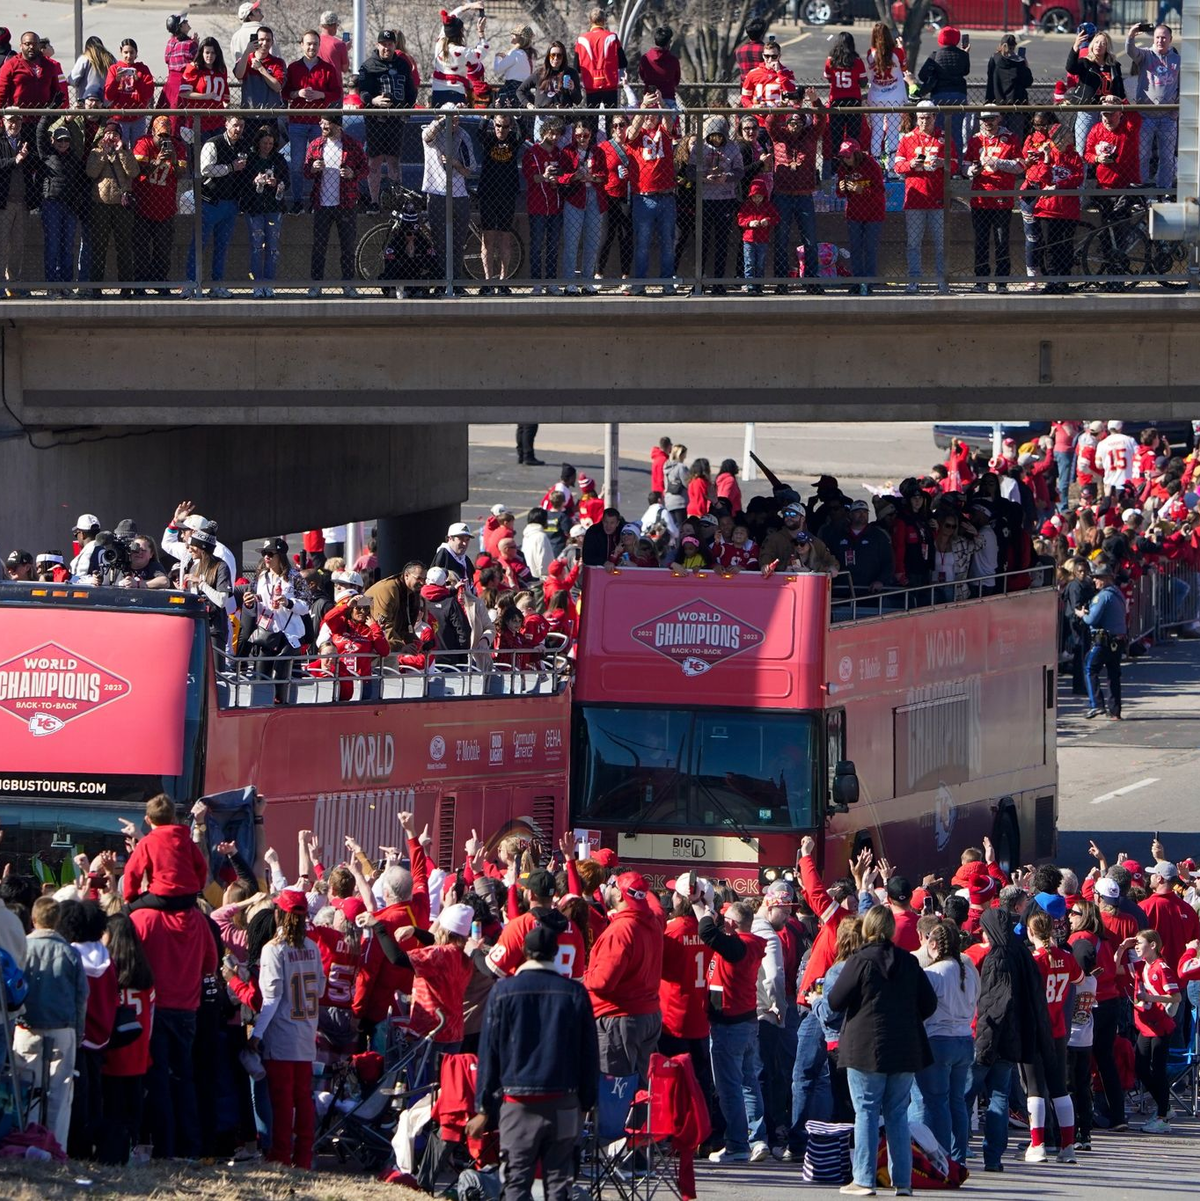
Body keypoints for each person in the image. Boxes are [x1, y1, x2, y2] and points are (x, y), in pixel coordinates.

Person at [471, 922, 600, 1201]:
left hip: (518, 1104)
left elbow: (489, 1054)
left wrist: (483, 1107)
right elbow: (589, 1053)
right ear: (555, 953)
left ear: (524, 952)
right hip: (565, 1102)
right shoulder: (575, 993)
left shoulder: (503, 992)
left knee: (516, 1182)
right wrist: (588, 1102)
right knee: (559, 1184)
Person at [827, 906, 936, 1197]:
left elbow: (835, 1001)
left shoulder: (859, 960)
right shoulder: (909, 961)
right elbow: (929, 1004)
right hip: (905, 1046)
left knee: (865, 1112)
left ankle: (863, 1179)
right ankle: (903, 1181)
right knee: (897, 1114)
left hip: (864, 1046)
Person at [248, 891, 325, 1169]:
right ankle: (304, 1156)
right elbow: (322, 987)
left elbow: (271, 998)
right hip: (306, 1032)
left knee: (281, 1102)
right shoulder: (313, 947)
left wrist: (256, 1035)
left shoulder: (273, 949)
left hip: (280, 1033)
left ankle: (280, 1156)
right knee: (303, 1099)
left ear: (279, 914)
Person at [972, 906, 1049, 1173]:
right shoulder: (1022, 954)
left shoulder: (997, 957)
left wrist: (983, 1043)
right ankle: (993, 1157)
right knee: (999, 1096)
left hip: (993, 1038)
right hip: (1015, 1038)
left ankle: (957, 1154)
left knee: (964, 1096)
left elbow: (993, 1005)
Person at [14, 897, 87, 1155]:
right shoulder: (70, 952)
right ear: (57, 921)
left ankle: (25, 1142)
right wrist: (78, 1032)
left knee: (25, 1088)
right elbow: (81, 997)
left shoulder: (22, 948)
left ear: (34, 919)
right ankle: (56, 1147)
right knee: (60, 1091)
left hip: (26, 1026)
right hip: (63, 1027)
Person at [699, 897, 769, 1163]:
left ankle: (738, 1143)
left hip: (730, 1026)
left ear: (732, 923)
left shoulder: (738, 946)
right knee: (749, 1082)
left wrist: (707, 911)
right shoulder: (746, 944)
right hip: (745, 1022)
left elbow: (706, 932)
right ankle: (757, 1138)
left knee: (729, 1086)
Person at [583, 871, 663, 1084]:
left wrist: (582, 977)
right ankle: (640, 1120)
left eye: (614, 885)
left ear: (620, 896)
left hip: (621, 1018)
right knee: (643, 1090)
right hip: (648, 1015)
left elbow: (602, 982)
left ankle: (617, 1120)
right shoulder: (652, 923)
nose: (609, 888)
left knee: (615, 1092)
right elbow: (655, 907)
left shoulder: (621, 930)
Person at [910, 921, 978, 1167]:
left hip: (938, 1039)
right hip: (963, 1039)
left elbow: (921, 1007)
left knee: (935, 1101)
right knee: (957, 1101)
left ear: (934, 943)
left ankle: (939, 1157)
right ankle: (958, 1157)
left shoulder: (933, 973)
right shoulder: (968, 970)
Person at [98, 913, 155, 1166]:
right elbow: (151, 1019)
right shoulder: (145, 976)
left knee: (112, 1109)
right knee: (134, 1109)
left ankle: (112, 1154)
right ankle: (132, 1150)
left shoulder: (109, 974)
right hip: (139, 1052)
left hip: (112, 1053)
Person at [765, 91, 825, 290]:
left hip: (804, 196)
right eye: (792, 121)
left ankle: (811, 281)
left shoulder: (810, 136)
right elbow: (769, 124)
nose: (795, 125)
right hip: (782, 196)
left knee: (810, 240)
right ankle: (781, 282)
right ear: (786, 123)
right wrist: (780, 107)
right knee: (781, 240)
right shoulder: (779, 137)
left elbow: (821, 118)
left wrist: (814, 100)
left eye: (799, 121)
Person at [895, 101, 957, 293]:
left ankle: (942, 280)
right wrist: (911, 164)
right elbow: (897, 167)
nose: (923, 122)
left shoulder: (944, 138)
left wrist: (941, 163)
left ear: (934, 117)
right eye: (920, 117)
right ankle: (914, 280)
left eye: (927, 117)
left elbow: (955, 165)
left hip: (938, 199)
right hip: (915, 200)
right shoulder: (907, 139)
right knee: (913, 243)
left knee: (941, 244)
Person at [185, 115, 248, 300]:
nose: (238, 129)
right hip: (210, 202)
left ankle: (217, 284)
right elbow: (205, 169)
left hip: (231, 203)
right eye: (235, 125)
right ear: (227, 124)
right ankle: (190, 284)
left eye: (242, 126)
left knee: (222, 246)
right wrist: (230, 167)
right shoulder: (213, 144)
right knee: (199, 244)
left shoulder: (243, 146)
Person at [304, 114, 366, 297]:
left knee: (347, 246)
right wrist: (313, 168)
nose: (322, 125)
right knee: (319, 246)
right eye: (321, 122)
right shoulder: (316, 144)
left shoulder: (352, 145)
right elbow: (306, 171)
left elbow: (365, 168)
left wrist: (352, 173)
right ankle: (316, 284)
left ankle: (348, 284)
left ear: (337, 126)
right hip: (322, 203)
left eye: (326, 123)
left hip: (345, 203)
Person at [355, 30, 417, 210]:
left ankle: (396, 200)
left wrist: (407, 110)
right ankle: (374, 201)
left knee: (394, 162)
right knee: (374, 162)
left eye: (390, 44)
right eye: (383, 44)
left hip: (396, 121)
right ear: (377, 45)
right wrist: (373, 100)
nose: (387, 48)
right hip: (376, 120)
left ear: (394, 46)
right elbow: (363, 91)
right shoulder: (369, 65)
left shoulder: (403, 64)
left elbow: (411, 91)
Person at [1022, 115, 1083, 293]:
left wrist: (1058, 185)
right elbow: (1043, 177)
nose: (1070, 139)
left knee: (1066, 245)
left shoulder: (1074, 157)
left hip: (1068, 209)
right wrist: (1047, 158)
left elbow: (1077, 178)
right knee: (1050, 246)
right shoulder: (1048, 155)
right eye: (1066, 137)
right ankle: (1051, 280)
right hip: (1048, 209)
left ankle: (1063, 280)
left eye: (1070, 136)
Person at [965, 110, 1023, 291]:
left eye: (991, 119)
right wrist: (972, 172)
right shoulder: (975, 139)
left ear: (999, 119)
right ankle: (981, 281)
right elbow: (965, 166)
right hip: (980, 199)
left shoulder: (1010, 137)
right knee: (981, 241)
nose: (987, 123)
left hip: (1002, 198)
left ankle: (1002, 282)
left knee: (1001, 241)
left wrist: (998, 162)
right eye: (984, 119)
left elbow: (1020, 166)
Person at [284, 30, 342, 212]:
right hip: (298, 122)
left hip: (319, 124)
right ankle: (297, 200)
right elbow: (285, 92)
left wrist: (320, 94)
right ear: (302, 44)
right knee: (297, 164)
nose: (312, 47)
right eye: (308, 43)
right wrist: (297, 93)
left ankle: (319, 200)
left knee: (320, 163)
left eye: (315, 44)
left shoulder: (327, 68)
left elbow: (336, 93)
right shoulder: (293, 68)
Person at [625, 96, 677, 296]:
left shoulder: (663, 131)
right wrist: (643, 106)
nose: (649, 117)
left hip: (666, 197)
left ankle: (667, 283)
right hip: (643, 197)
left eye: (652, 113)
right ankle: (639, 284)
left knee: (667, 244)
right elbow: (632, 130)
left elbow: (670, 122)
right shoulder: (637, 136)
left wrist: (662, 105)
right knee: (643, 244)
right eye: (646, 114)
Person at [422, 104, 477, 293]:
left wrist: (455, 163)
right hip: (437, 191)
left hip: (459, 193)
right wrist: (441, 121)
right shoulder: (434, 132)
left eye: (456, 119)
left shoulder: (463, 135)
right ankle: (442, 283)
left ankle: (456, 282)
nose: (454, 123)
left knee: (458, 240)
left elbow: (470, 169)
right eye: (450, 118)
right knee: (439, 240)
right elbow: (426, 137)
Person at [131, 117, 187, 296]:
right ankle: (140, 283)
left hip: (166, 207)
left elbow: (181, 173)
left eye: (167, 135)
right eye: (161, 135)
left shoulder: (177, 147)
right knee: (141, 247)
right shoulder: (144, 144)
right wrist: (156, 162)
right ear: (153, 132)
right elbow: (136, 172)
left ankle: (160, 280)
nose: (164, 140)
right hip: (143, 205)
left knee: (163, 248)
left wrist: (174, 158)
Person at [122, 793, 208, 908]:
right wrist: (197, 887)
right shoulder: (186, 841)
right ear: (173, 818)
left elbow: (132, 872)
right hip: (189, 897)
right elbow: (201, 866)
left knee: (125, 913)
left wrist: (130, 898)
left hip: (162, 897)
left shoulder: (147, 842)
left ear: (147, 820)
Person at [36, 114, 87, 293]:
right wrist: (51, 113)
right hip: (52, 204)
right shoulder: (47, 154)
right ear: (53, 140)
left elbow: (81, 180)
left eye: (66, 140)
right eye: (59, 140)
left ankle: (65, 284)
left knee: (67, 246)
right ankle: (51, 285)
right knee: (53, 244)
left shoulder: (74, 158)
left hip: (70, 206)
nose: (63, 143)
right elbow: (40, 132)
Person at [84, 121, 136, 296]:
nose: (111, 137)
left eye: (115, 134)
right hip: (101, 205)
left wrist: (121, 152)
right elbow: (91, 172)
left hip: (122, 206)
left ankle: (126, 287)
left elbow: (133, 172)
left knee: (124, 246)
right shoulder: (96, 152)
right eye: (109, 134)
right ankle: (96, 287)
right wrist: (104, 155)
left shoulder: (126, 152)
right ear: (103, 135)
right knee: (99, 246)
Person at [1126, 23, 1179, 191]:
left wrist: (1175, 110)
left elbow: (1183, 85)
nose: (1160, 40)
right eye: (1157, 37)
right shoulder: (1146, 55)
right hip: (1146, 116)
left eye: (1164, 37)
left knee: (1167, 157)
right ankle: (1141, 190)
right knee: (1143, 155)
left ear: (1170, 39)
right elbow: (1131, 52)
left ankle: (1164, 190)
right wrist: (1131, 35)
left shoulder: (1177, 60)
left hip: (1168, 118)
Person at [560, 122, 608, 294]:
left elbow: (604, 175)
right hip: (575, 198)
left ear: (590, 135)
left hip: (594, 197)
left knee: (592, 243)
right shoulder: (567, 151)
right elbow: (561, 176)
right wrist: (574, 176)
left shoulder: (598, 151)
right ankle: (569, 282)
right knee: (571, 243)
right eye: (578, 135)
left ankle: (588, 281)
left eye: (585, 135)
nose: (581, 139)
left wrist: (591, 177)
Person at [241, 122, 288, 297]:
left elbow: (287, 182)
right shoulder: (251, 159)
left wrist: (277, 183)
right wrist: (255, 181)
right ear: (258, 142)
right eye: (264, 143)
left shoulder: (279, 159)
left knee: (273, 247)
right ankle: (257, 283)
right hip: (254, 208)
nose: (267, 146)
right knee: (256, 247)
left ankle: (269, 283)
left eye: (270, 143)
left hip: (273, 207)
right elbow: (242, 182)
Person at [522, 115, 566, 295]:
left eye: (557, 134)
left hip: (555, 205)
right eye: (551, 133)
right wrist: (544, 177)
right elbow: (529, 176)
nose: (555, 137)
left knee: (553, 246)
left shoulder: (559, 154)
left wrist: (557, 180)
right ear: (544, 132)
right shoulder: (532, 152)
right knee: (537, 245)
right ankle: (536, 283)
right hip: (537, 205)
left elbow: (564, 175)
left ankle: (551, 282)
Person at [1078, 558, 1126, 718]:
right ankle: (1115, 711)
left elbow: (1092, 619)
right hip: (1117, 640)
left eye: (1097, 578)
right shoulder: (1117, 593)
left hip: (1103, 640)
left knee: (1090, 668)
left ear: (1106, 579)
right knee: (1113, 674)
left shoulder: (1103, 596)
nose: (1094, 580)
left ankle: (1096, 704)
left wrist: (1082, 615)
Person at [835, 138, 884, 294]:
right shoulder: (842, 168)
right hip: (854, 213)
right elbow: (839, 193)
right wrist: (841, 188)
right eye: (843, 156)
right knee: (855, 248)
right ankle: (856, 281)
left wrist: (862, 190)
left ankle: (869, 282)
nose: (845, 159)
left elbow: (880, 192)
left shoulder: (872, 165)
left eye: (848, 156)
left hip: (873, 213)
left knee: (870, 248)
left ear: (856, 154)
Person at [1068, 29, 1126, 156]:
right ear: (1092, 45)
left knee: (1106, 149)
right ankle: (1081, 175)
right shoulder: (1085, 63)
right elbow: (1070, 67)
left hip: (1107, 113)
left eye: (1103, 43)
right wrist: (1076, 45)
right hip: (1087, 111)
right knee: (1082, 149)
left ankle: (1102, 175)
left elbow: (1120, 90)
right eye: (1096, 42)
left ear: (1107, 47)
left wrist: (1115, 98)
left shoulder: (1113, 66)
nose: (1098, 45)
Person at [866, 23, 912, 168]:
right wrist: (901, 47)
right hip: (895, 96)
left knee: (877, 131)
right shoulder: (897, 52)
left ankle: (876, 165)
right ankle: (892, 167)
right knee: (893, 131)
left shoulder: (870, 53)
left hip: (876, 96)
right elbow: (904, 68)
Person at [917, 27, 970, 155]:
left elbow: (922, 75)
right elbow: (966, 71)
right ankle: (956, 165)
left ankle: (940, 160)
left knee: (939, 130)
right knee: (956, 131)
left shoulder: (935, 55)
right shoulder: (962, 55)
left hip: (940, 94)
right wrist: (965, 53)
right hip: (959, 95)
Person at [0, 32, 68, 123]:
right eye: (27, 44)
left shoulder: (49, 66)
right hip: (18, 121)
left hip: (43, 121)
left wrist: (52, 115)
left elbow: (56, 92)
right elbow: (1, 94)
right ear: (21, 46)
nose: (31, 47)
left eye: (34, 44)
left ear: (39, 46)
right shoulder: (11, 65)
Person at [824, 32, 866, 173]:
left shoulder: (830, 61)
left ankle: (837, 170)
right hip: (853, 101)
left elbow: (828, 78)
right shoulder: (857, 61)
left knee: (836, 137)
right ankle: (855, 168)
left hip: (836, 101)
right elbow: (863, 81)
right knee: (854, 136)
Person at [366, 559, 425, 652]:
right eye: (418, 578)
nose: (422, 583)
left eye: (424, 579)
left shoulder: (412, 593)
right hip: (371, 643)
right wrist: (401, 646)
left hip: (386, 645)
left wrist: (419, 644)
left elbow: (406, 629)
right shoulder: (388, 589)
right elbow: (384, 625)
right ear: (406, 575)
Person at [0, 112, 31, 289]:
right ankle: (0, 283)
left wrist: (26, 157)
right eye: (11, 121)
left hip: (22, 202)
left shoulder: (26, 142)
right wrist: (15, 159)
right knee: (1, 245)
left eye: (18, 121)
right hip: (4, 203)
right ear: (4, 121)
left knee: (18, 246)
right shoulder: (1, 141)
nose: (14, 125)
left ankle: (13, 283)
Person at [103, 39, 154, 147]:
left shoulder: (142, 69)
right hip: (120, 116)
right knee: (122, 147)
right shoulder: (114, 69)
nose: (129, 56)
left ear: (136, 54)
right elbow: (108, 95)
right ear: (121, 52)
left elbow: (148, 94)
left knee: (139, 147)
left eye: (132, 52)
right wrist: (116, 80)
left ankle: (138, 165)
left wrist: (138, 80)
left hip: (138, 116)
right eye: (126, 52)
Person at [179, 38, 230, 143]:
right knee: (203, 153)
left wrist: (225, 105)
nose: (209, 56)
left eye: (213, 53)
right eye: (207, 52)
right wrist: (205, 96)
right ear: (201, 52)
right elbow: (184, 93)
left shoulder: (221, 69)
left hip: (218, 120)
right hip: (199, 121)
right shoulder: (194, 68)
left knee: (219, 151)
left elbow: (225, 95)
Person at [574, 7, 625, 110]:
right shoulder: (612, 37)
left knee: (592, 119)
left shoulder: (581, 40)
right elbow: (623, 62)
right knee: (611, 121)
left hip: (591, 85)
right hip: (609, 84)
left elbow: (576, 67)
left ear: (590, 21)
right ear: (604, 21)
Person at [233, 26, 286, 121]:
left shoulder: (278, 62)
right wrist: (246, 52)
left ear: (272, 43)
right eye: (261, 39)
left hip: (271, 115)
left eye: (268, 40)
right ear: (256, 41)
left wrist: (261, 69)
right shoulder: (246, 59)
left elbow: (277, 87)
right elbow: (239, 75)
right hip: (249, 114)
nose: (265, 43)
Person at [737, 177, 777, 295]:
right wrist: (749, 223)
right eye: (755, 197)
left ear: (764, 196)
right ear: (751, 196)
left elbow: (776, 218)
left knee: (760, 263)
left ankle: (758, 285)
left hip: (762, 239)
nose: (757, 199)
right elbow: (740, 219)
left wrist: (768, 221)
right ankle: (750, 286)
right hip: (749, 239)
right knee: (749, 263)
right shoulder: (747, 206)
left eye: (759, 196)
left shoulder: (768, 206)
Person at [741, 39, 796, 109]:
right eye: (767, 56)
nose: (770, 60)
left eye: (774, 57)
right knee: (747, 120)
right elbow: (745, 97)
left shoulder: (787, 72)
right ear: (763, 56)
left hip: (780, 115)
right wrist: (753, 107)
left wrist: (779, 72)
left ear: (779, 56)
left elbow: (792, 92)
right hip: (758, 114)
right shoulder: (753, 73)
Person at [163, 14, 197, 112]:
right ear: (180, 26)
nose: (187, 23)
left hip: (170, 84)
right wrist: (197, 45)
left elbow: (166, 59)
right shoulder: (190, 44)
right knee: (183, 116)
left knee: (168, 114)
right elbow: (197, 62)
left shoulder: (171, 42)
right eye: (185, 22)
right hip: (184, 82)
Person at [492, 25, 534, 104]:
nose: (511, 36)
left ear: (519, 37)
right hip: (525, 91)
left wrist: (497, 57)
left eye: (514, 34)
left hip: (511, 89)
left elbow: (497, 70)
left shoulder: (515, 53)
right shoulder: (531, 55)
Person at [639, 26, 680, 107]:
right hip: (668, 98)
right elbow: (676, 79)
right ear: (669, 42)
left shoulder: (645, 58)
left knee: (649, 120)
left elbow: (642, 75)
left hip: (650, 98)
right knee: (669, 119)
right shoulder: (673, 60)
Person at [69, 35, 115, 104]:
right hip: (106, 101)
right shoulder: (110, 59)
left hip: (87, 100)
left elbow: (73, 79)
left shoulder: (85, 58)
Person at [318, 10, 351, 79]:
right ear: (334, 26)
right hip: (334, 86)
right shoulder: (339, 44)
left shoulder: (313, 42)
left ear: (321, 26)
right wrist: (346, 49)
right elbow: (345, 69)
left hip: (316, 86)